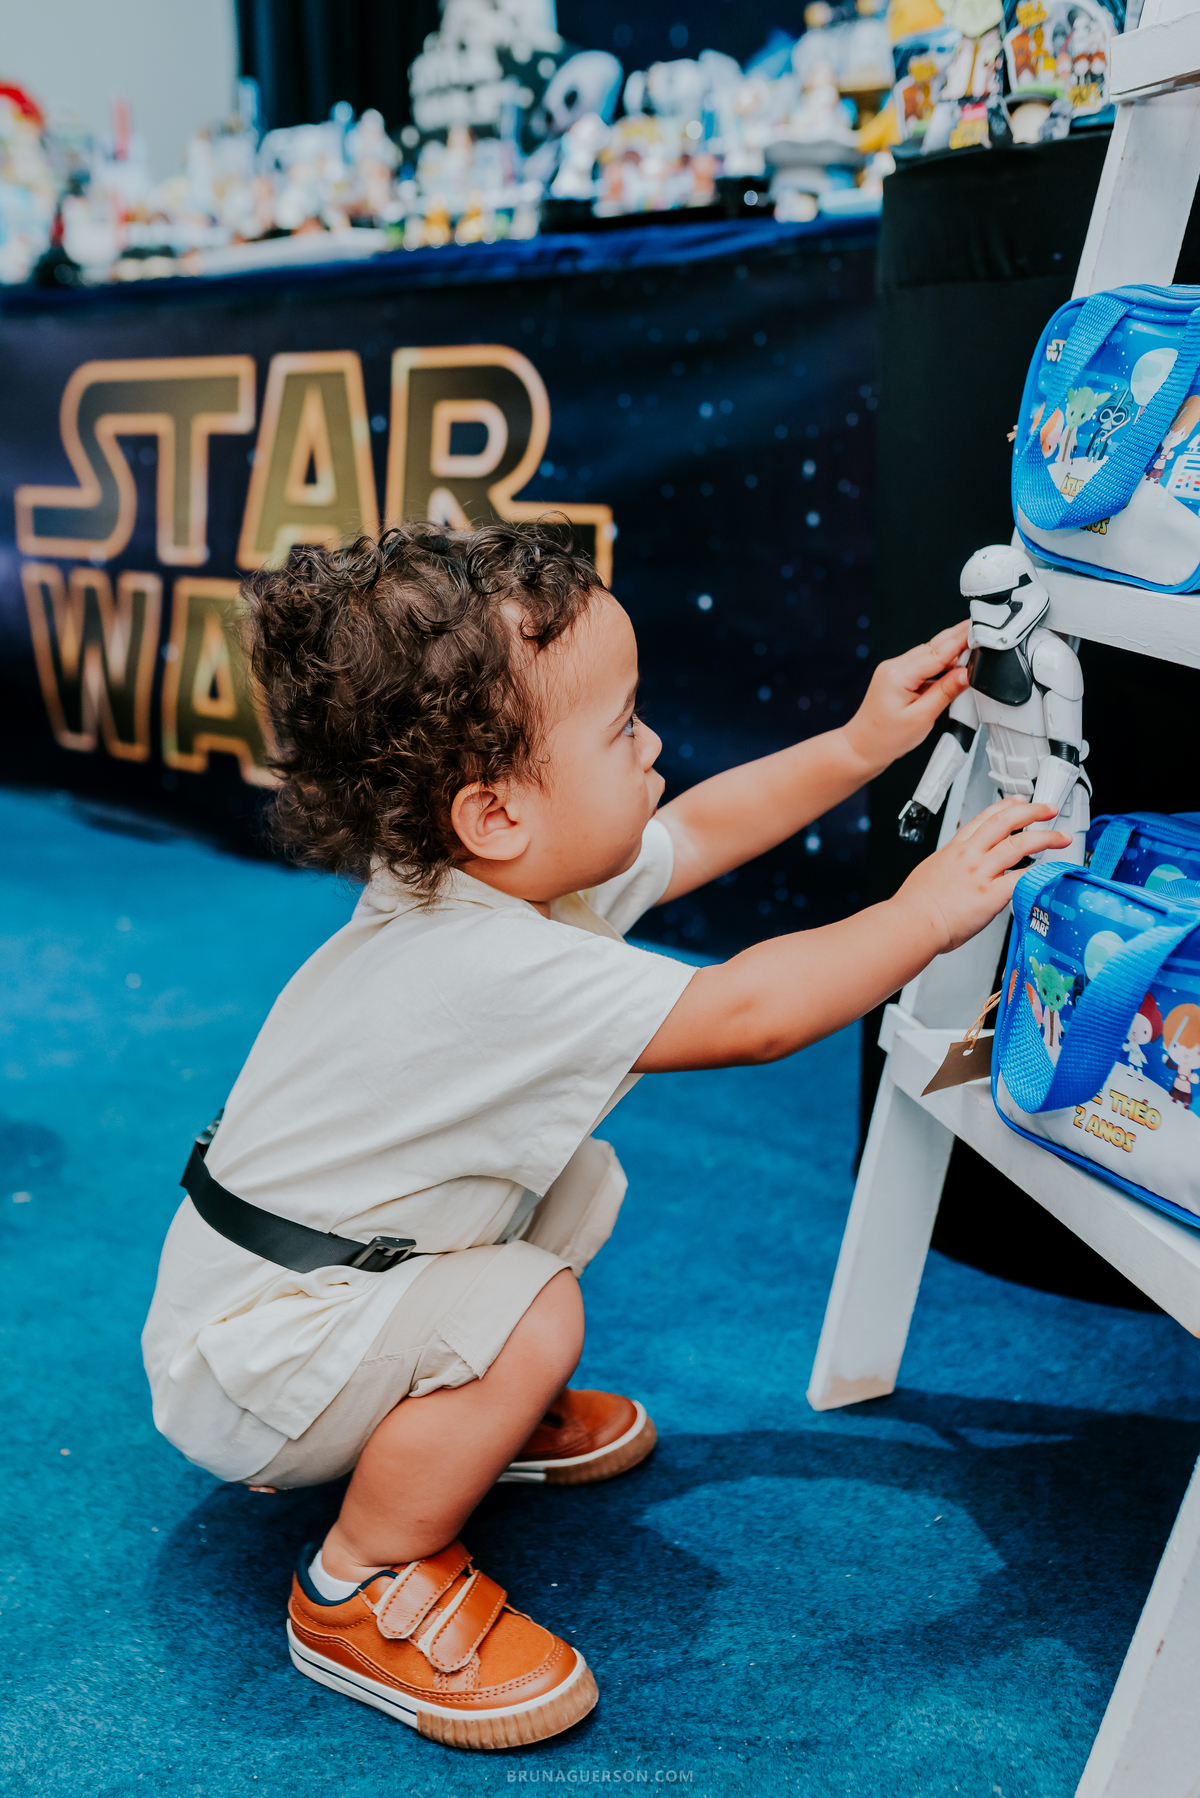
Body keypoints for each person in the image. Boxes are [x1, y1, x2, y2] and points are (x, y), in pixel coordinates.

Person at [141, 521, 1069, 1751]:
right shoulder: (483, 964)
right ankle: (359, 1578)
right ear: (495, 810)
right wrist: (927, 908)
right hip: (253, 1376)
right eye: (623, 728)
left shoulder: (491, 881)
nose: (656, 747)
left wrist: (859, 742)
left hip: (299, 1295)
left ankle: (442, 1413)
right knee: (535, 1310)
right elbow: (749, 1014)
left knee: (572, 1182)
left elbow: (702, 828)